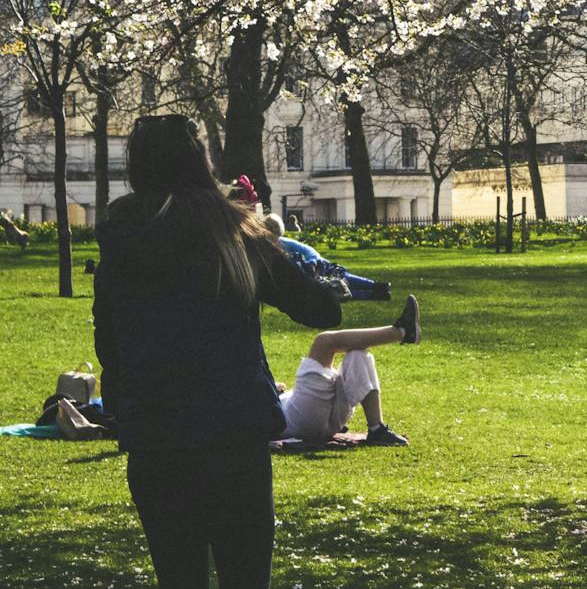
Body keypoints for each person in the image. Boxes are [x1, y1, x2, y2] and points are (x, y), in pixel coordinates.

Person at [93, 115, 343, 589]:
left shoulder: (122, 240)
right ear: (200, 163)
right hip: (233, 432)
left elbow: (109, 345)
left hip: (157, 434)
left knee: (179, 575)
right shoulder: (234, 233)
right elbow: (321, 310)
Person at [277, 296, 421, 447]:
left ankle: (377, 429)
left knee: (357, 353)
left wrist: (273, 386)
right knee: (323, 342)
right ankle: (401, 332)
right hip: (295, 418)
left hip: (318, 421)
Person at [261, 213, 391, 300]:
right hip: (304, 275)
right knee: (333, 289)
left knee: (340, 278)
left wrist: (312, 263)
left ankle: (375, 286)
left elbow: (309, 251)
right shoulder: (267, 248)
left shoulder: (285, 243)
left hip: (316, 267)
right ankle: (373, 293)